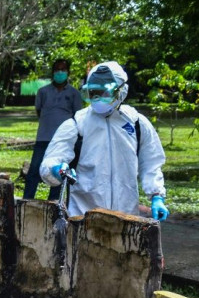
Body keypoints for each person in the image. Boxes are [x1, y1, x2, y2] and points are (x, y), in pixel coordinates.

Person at [39, 61, 169, 221]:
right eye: (94, 92)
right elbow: (49, 163)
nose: (98, 98)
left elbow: (151, 163)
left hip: (126, 218)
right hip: (83, 219)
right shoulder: (76, 124)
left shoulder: (136, 123)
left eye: (105, 93)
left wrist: (157, 196)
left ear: (122, 91)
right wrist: (56, 169)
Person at [22, 59, 83, 200]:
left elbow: (77, 116)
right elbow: (39, 110)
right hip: (44, 136)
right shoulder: (43, 92)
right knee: (34, 170)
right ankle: (26, 200)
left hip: (64, 140)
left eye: (63, 69)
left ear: (68, 72)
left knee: (58, 172)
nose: (60, 72)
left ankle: (54, 204)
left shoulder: (74, 93)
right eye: (57, 69)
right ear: (53, 72)